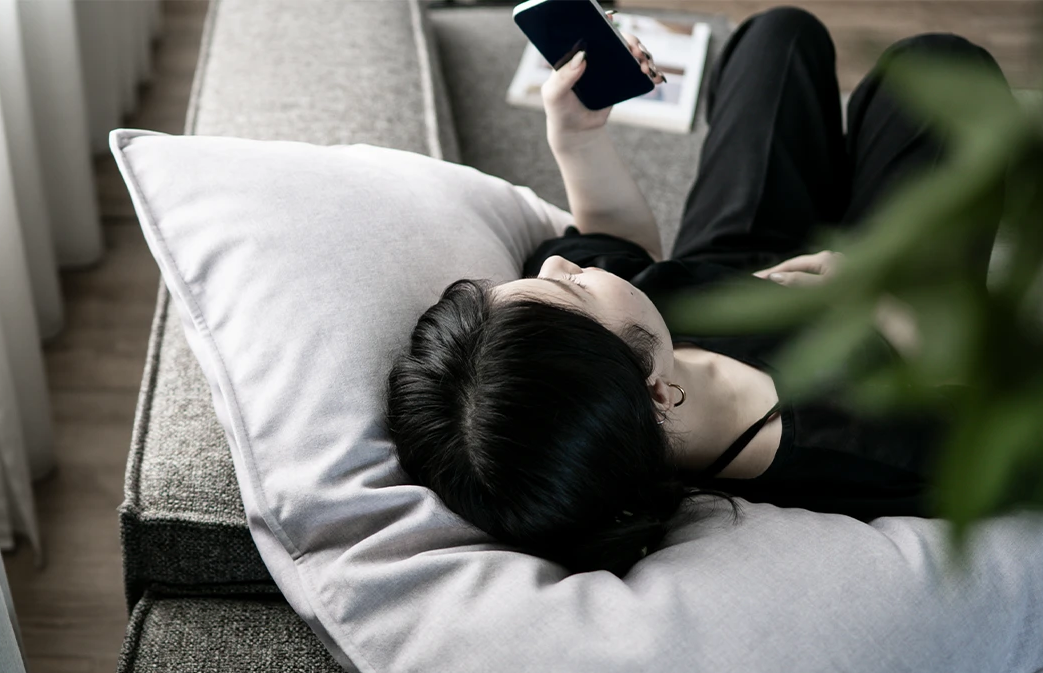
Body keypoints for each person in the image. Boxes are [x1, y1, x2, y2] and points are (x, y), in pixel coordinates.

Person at [386, 6, 1010, 575]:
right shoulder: (859, 445)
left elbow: (615, 245)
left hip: (728, 273)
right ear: (656, 389)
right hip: (893, 329)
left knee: (779, 35)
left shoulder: (596, 351)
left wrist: (578, 139)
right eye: (575, 289)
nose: (556, 264)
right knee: (942, 65)